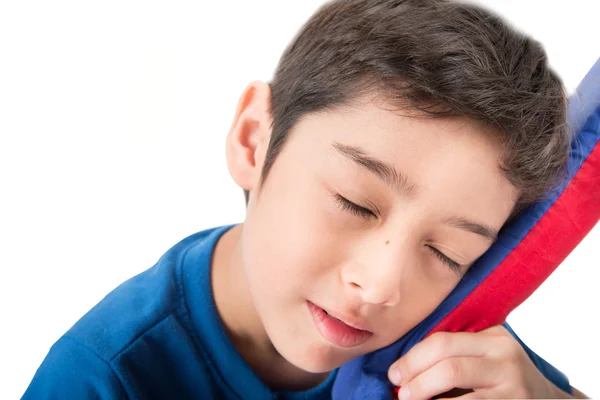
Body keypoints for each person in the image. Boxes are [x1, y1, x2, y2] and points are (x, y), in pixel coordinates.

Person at [23, 0, 588, 398]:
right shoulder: (99, 378)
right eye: (355, 202)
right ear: (253, 139)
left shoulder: (436, 331)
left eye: (447, 253)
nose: (383, 284)